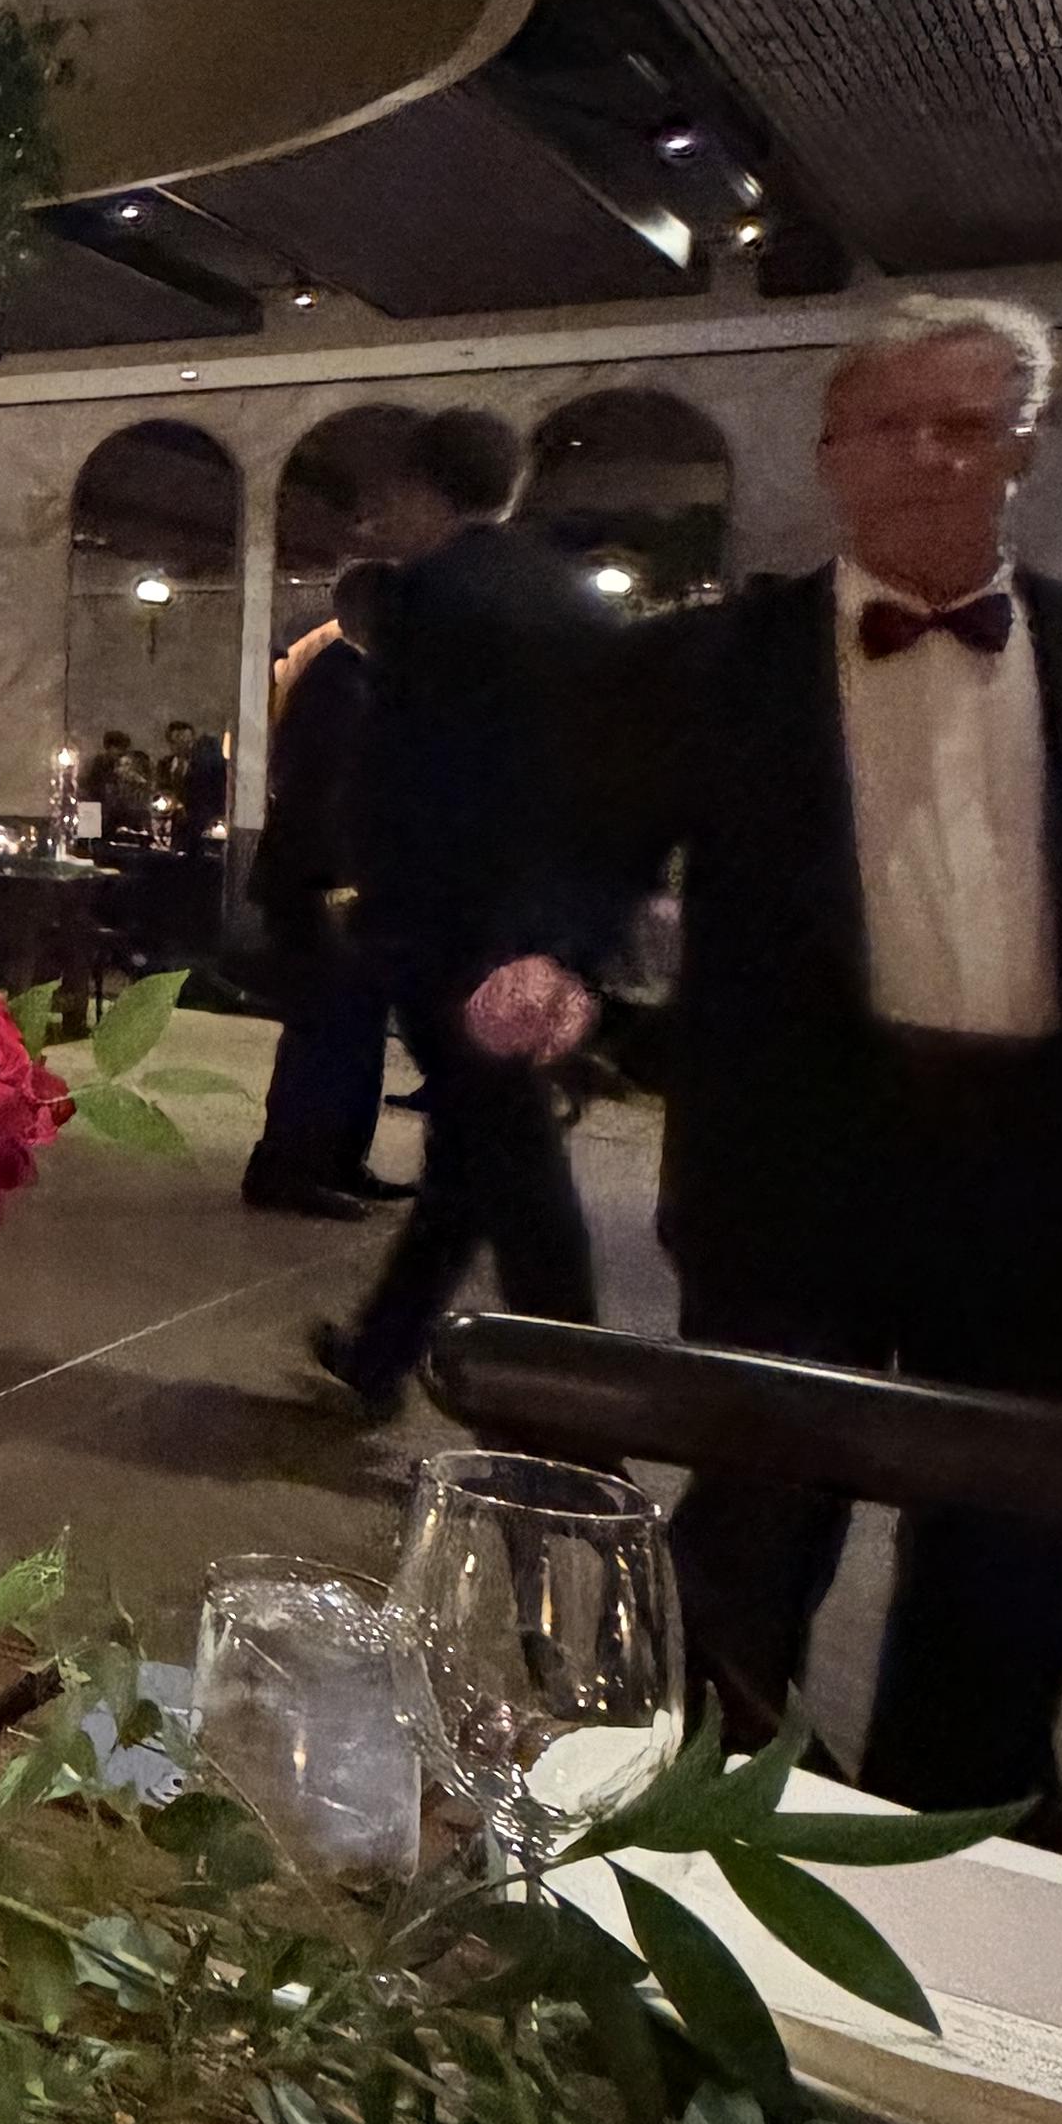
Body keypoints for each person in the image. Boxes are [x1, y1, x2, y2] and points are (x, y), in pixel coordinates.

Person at [466, 300, 1062, 1835]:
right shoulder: (712, 665)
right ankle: (683, 1832)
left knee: (1002, 1556)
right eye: (893, 425)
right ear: (832, 455)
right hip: (799, 1159)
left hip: (1051, 1181)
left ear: (1026, 449)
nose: (929, 456)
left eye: (968, 425)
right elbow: (590, 847)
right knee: (753, 1524)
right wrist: (551, 957)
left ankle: (958, 1860)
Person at [308, 405, 602, 1418]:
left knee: (515, 1166)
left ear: (418, 488)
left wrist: (376, 900)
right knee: (475, 1155)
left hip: (456, 925)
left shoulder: (433, 595)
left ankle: (575, 1397)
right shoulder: (566, 592)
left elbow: (409, 774)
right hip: (540, 921)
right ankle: (380, 1351)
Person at [241, 569, 395, 1219]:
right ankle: (286, 1167)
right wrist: (344, 883)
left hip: (350, 886)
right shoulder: (335, 684)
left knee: (359, 1026)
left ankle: (338, 1160)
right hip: (318, 887)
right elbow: (319, 797)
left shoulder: (365, 679)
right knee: (321, 1025)